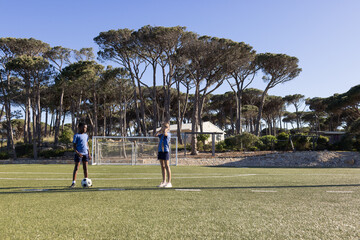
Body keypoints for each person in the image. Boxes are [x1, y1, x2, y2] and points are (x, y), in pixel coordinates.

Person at [69, 122, 91, 188]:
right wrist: (78, 153)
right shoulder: (76, 136)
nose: (85, 129)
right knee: (76, 168)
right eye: (84, 127)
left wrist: (89, 154)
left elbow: (87, 145)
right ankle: (73, 183)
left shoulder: (86, 135)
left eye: (86, 128)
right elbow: (74, 146)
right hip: (79, 154)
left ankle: (86, 180)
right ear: (80, 127)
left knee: (85, 168)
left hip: (85, 154)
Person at [155, 122, 172, 188]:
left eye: (165, 127)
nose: (164, 128)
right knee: (162, 166)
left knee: (167, 166)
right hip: (160, 151)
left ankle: (169, 182)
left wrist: (165, 130)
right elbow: (155, 135)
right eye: (163, 126)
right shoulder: (161, 135)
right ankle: (164, 181)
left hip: (165, 151)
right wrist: (159, 131)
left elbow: (165, 134)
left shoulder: (168, 134)